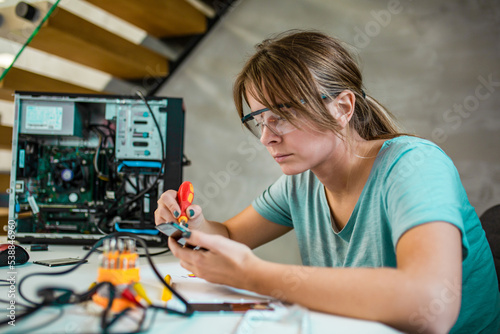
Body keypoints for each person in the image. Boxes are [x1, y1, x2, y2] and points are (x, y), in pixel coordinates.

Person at [155, 30, 500, 334]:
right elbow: (229, 235)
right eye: (259, 120)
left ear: (343, 107)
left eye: (282, 116)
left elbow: (432, 308)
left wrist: (253, 275)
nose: (266, 138)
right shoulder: (300, 185)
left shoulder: (414, 166)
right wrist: (191, 224)